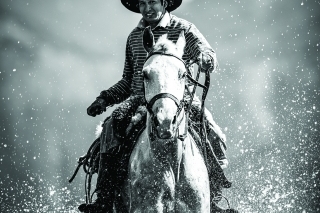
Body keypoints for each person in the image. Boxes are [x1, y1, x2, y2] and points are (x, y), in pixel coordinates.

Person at [78, 0, 236, 212]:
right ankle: (104, 200)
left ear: (164, 3)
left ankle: (213, 196)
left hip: (182, 99)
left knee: (208, 128)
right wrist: (106, 98)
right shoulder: (134, 36)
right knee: (111, 126)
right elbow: (128, 79)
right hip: (140, 99)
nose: (147, 8)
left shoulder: (184, 29)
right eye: (142, 3)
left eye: (152, 1)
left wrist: (206, 58)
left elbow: (207, 52)